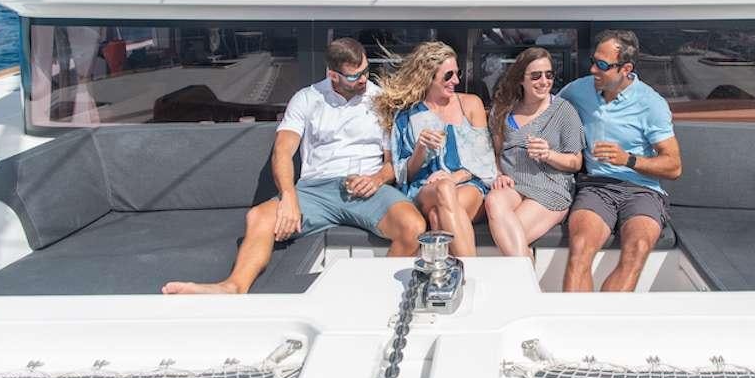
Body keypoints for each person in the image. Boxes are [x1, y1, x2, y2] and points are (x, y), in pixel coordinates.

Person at [162, 38, 426, 294]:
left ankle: (377, 296)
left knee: (413, 226)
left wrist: (377, 179)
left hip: (367, 188)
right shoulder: (306, 99)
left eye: (366, 71)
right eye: (353, 76)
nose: (363, 80)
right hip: (316, 190)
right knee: (259, 216)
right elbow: (282, 152)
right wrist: (288, 197)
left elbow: (393, 164)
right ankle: (232, 287)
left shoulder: (381, 101)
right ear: (332, 75)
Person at [558, 30, 682, 292]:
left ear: (626, 68)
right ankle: (573, 326)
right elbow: (544, 112)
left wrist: (629, 160)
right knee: (579, 248)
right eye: (593, 61)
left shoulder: (651, 104)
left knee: (636, 250)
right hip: (596, 187)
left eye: (602, 65)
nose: (593, 69)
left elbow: (673, 165)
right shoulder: (579, 90)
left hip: (642, 190)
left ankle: (602, 326)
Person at [375, 42, 496, 257]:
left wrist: (453, 177)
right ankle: (470, 273)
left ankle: (456, 274)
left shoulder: (471, 104)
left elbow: (484, 162)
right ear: (428, 76)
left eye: (457, 74)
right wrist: (420, 149)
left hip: (468, 182)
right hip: (425, 189)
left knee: (437, 217)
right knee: (442, 190)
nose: (456, 81)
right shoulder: (407, 115)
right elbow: (405, 175)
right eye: (448, 76)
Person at [485, 47, 584, 258]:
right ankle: (530, 287)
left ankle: (525, 288)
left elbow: (576, 162)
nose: (544, 81)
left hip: (549, 189)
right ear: (521, 78)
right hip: (513, 185)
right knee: (493, 200)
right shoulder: (503, 109)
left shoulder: (564, 111)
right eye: (536, 76)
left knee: (510, 238)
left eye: (549, 75)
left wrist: (549, 154)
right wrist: (498, 174)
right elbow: (496, 152)